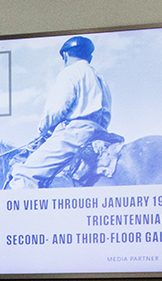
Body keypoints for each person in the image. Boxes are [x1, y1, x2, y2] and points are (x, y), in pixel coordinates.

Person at [8, 36, 113, 189]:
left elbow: (57, 109)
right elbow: (106, 115)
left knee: (24, 174)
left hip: (74, 133)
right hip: (99, 132)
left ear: (65, 55)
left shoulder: (70, 72)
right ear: (89, 56)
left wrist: (42, 130)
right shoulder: (100, 78)